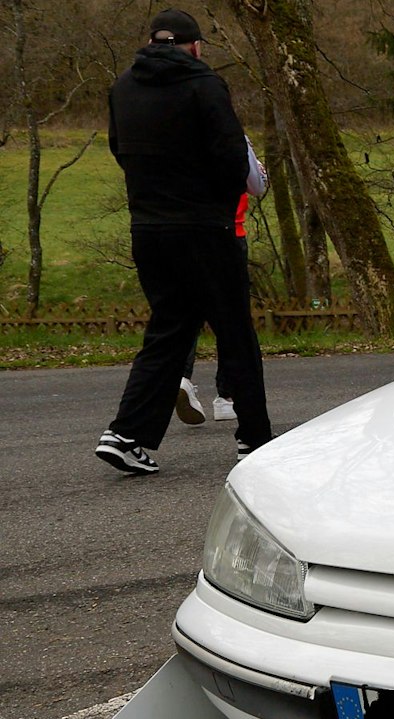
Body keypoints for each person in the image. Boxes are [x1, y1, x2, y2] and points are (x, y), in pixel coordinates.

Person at [96, 9, 273, 474]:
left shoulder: (122, 88)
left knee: (169, 330)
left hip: (148, 228)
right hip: (205, 228)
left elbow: (119, 149)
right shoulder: (205, 85)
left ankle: (126, 433)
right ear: (194, 46)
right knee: (235, 330)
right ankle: (254, 440)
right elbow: (232, 156)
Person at [177, 134, 268, 426]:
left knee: (189, 311)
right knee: (232, 318)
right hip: (230, 232)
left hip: (182, 234)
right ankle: (226, 395)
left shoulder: (175, 138)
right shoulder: (236, 138)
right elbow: (258, 185)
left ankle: (181, 376)